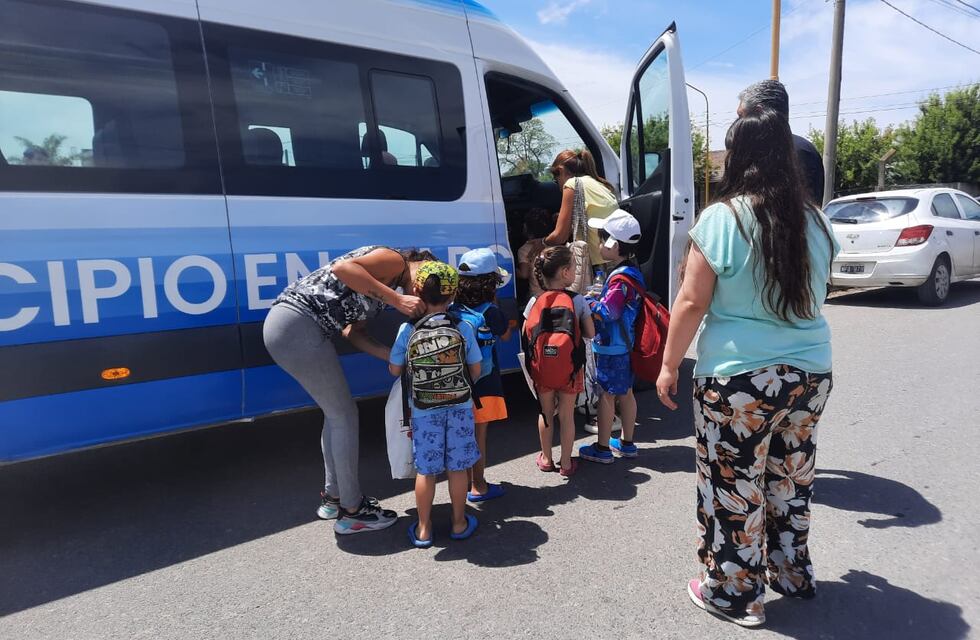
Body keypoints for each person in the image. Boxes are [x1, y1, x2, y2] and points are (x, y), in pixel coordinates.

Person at [656, 104, 839, 627]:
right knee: (790, 477)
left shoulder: (722, 219)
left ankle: (735, 594)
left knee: (732, 484)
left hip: (739, 381)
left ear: (737, 157)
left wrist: (669, 366)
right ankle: (791, 573)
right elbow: (821, 292)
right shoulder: (816, 221)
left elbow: (691, 302)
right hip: (810, 375)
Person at [263, 246, 430, 535]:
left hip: (290, 328)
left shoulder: (384, 288)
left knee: (336, 414)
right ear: (418, 261)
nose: (419, 288)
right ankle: (353, 511)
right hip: (297, 327)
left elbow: (353, 333)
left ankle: (333, 498)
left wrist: (396, 358)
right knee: (344, 416)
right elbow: (343, 269)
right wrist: (397, 299)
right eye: (422, 276)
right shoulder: (395, 260)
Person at [389, 261, 482, 547]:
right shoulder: (463, 327)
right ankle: (458, 522)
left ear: (417, 291)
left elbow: (394, 370)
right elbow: (475, 370)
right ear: (453, 295)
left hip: (423, 410)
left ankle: (424, 529)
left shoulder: (408, 329)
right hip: (460, 408)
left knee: (426, 471)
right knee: (456, 468)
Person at [523, 246, 595, 477]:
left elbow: (526, 332)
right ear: (565, 272)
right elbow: (590, 333)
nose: (575, 271)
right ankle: (565, 463)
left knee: (546, 413)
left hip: (542, 368)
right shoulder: (577, 300)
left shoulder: (534, 301)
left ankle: (546, 458)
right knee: (566, 415)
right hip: (570, 368)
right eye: (573, 267)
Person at [578, 210, 643, 464]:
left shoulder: (619, 278)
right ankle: (627, 444)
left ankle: (603, 448)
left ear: (614, 245)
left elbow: (609, 312)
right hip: (625, 344)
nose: (599, 243)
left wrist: (587, 303)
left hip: (611, 346)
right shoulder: (631, 272)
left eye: (602, 238)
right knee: (626, 392)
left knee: (606, 394)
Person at [452, 248, 512, 502]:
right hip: (484, 384)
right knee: (479, 435)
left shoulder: (453, 309)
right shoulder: (491, 312)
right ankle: (479, 485)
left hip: (457, 382)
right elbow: (505, 335)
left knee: (463, 434)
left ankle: (464, 482)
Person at [737, 79, 825, 205]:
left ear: (759, 112)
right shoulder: (800, 148)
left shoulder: (796, 152)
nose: (737, 124)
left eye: (741, 116)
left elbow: (804, 213)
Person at [544, 149, 618, 268]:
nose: (557, 183)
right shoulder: (600, 184)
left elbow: (560, 236)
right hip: (615, 260)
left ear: (561, 171)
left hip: (599, 265)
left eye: (555, 179)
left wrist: (542, 243)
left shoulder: (572, 184)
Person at [516, 208, 554, 299]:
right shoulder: (553, 244)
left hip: (537, 295)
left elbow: (524, 274)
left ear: (526, 228)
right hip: (556, 292)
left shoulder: (524, 249)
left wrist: (511, 270)